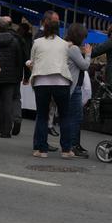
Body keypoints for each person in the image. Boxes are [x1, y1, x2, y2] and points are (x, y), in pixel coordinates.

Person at [29, 17, 73, 158]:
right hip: (61, 81)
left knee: (42, 115)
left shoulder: (37, 42)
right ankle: (66, 150)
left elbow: (32, 61)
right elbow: (66, 61)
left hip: (41, 81)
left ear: (44, 28)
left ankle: (41, 150)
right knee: (64, 115)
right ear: (58, 29)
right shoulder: (65, 44)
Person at [0, 16, 26, 138]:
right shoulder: (15, 41)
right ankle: (6, 131)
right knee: (7, 103)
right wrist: (19, 76)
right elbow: (19, 60)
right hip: (10, 77)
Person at [64, 23, 92, 158]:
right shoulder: (74, 48)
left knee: (72, 116)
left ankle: (72, 144)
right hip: (74, 87)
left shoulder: (65, 45)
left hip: (68, 85)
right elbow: (84, 65)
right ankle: (73, 145)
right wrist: (88, 54)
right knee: (76, 117)